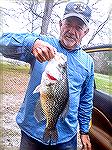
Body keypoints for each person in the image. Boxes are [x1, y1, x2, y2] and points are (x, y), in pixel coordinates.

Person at [0, 1, 94, 150]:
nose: (71, 31)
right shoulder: (43, 43)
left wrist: (84, 131)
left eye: (78, 27)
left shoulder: (88, 62)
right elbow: (2, 43)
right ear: (60, 24)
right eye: (68, 24)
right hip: (32, 132)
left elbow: (86, 100)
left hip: (66, 137)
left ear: (85, 32)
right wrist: (32, 43)